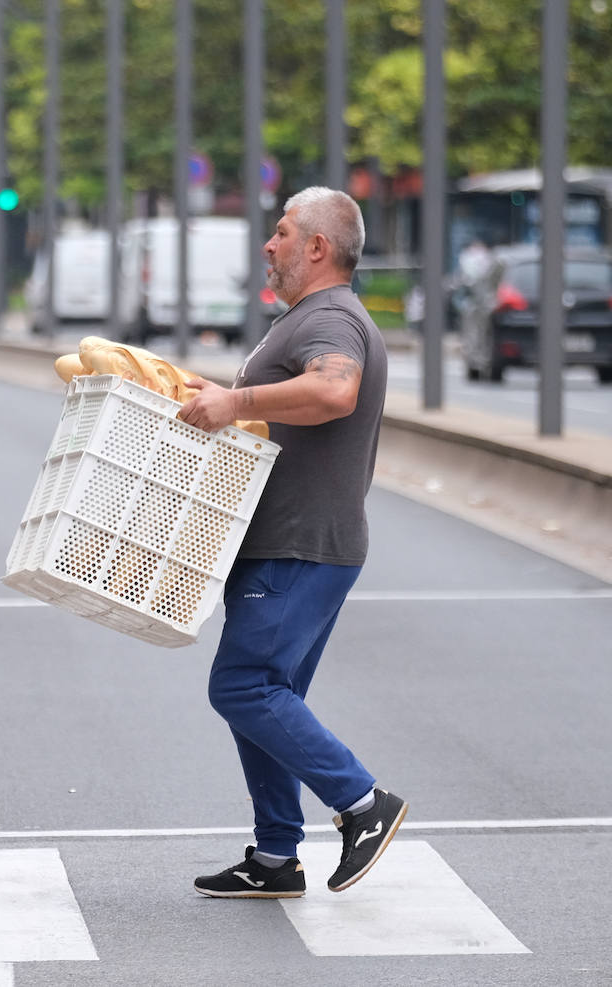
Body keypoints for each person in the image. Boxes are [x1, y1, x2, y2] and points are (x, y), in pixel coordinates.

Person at [176, 187, 405, 899]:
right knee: (270, 695)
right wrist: (217, 395)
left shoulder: (331, 316)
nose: (268, 247)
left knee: (241, 685)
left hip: (299, 543)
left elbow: (334, 391)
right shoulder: (312, 317)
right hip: (298, 541)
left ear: (317, 247)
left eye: (280, 233)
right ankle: (276, 854)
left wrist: (238, 400)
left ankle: (364, 804)